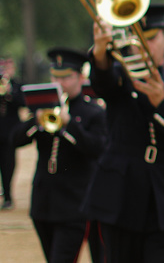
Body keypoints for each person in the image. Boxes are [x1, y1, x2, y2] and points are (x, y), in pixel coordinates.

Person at [82, 3, 164, 262]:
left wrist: (163, 106)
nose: (144, 45)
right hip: (120, 198)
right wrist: (101, 51)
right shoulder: (120, 79)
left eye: (150, 38)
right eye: (137, 39)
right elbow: (101, 81)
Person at [13, 48, 108, 262]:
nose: (60, 83)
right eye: (55, 76)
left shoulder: (93, 112)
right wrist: (35, 122)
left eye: (66, 77)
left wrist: (69, 126)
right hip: (42, 203)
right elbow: (15, 140)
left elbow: (96, 148)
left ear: (80, 77)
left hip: (74, 205)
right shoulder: (42, 108)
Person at [0, 56, 25, 210]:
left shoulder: (17, 85)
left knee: (8, 164)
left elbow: (22, 103)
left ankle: (8, 196)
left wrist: (10, 93)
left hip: (9, 132)